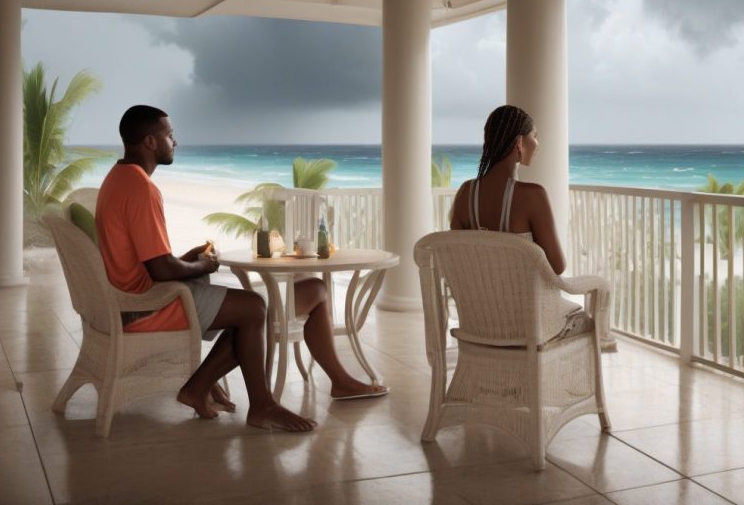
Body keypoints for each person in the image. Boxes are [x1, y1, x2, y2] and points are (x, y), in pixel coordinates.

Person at [96, 105, 386, 433]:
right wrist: (202, 265)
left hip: (138, 295)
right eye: (169, 135)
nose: (174, 142)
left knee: (304, 291)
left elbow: (151, 260)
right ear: (150, 141)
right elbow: (161, 270)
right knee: (253, 308)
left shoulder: (118, 179)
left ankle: (199, 387)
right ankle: (261, 406)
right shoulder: (141, 188)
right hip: (148, 304)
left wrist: (190, 261)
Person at [449, 104, 589, 340]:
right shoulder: (532, 195)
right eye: (535, 137)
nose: (538, 144)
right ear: (519, 143)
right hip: (529, 324)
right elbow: (556, 266)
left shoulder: (464, 193)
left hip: (480, 322)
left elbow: (459, 259)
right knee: (587, 323)